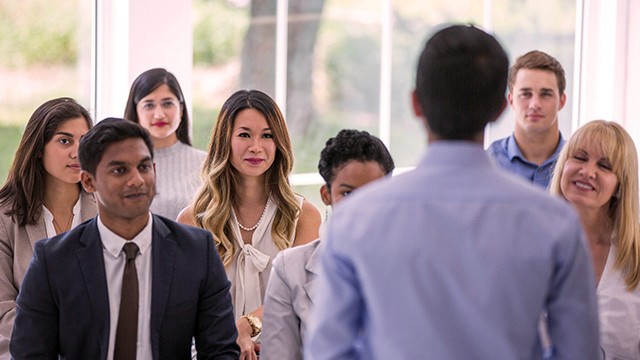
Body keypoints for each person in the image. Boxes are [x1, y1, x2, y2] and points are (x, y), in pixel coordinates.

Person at [305, 24, 599, 359]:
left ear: (416, 104)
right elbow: (578, 352)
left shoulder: (355, 220)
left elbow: (329, 352)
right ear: (501, 108)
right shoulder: (554, 223)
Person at [10, 118, 239, 359]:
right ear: (89, 181)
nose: (137, 180)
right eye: (120, 170)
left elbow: (220, 351)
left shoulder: (196, 251)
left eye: (144, 167)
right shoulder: (53, 260)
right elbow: (29, 355)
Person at [178, 89, 321, 360]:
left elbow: (298, 299)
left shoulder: (304, 216)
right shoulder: (192, 219)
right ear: (225, 140)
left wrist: (248, 325)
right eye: (244, 135)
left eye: (267, 135)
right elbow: (188, 310)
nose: (256, 146)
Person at [260, 129, 395, 360]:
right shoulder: (290, 269)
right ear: (326, 195)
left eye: (374, 194)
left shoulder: (414, 262)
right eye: (348, 194)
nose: (360, 208)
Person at [0, 97, 96, 357]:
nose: (77, 152)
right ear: (39, 148)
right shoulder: (4, 216)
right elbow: (3, 309)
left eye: (84, 141)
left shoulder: (107, 210)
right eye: (65, 141)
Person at [550, 120, 640, 359]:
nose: (588, 171)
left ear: (620, 185)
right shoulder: (531, 245)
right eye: (579, 157)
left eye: (604, 166)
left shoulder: (635, 255)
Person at [124, 68, 206, 220]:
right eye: (149, 105)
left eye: (167, 104)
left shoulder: (206, 163)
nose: (159, 114)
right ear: (136, 112)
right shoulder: (121, 165)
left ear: (181, 110)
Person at [487, 50, 567, 188]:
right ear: (511, 101)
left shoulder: (577, 165)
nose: (534, 104)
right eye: (526, 94)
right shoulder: (489, 162)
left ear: (561, 101)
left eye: (545, 94)